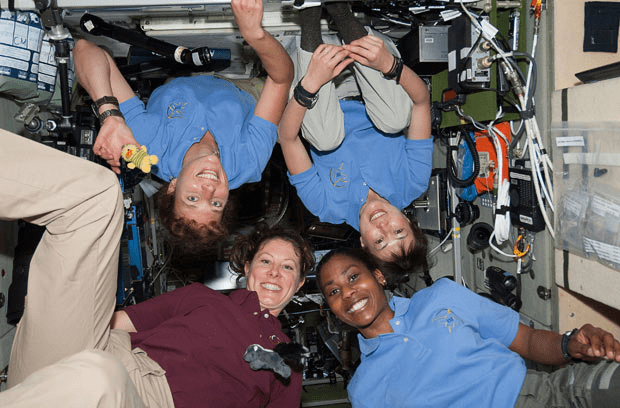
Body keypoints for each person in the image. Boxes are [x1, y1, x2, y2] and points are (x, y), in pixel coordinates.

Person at [0, 127, 314, 407]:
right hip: (88, 356)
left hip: (138, 396)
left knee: (99, 377)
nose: (274, 272)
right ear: (246, 267)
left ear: (300, 282)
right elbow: (113, 323)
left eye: (288, 267)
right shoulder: (200, 298)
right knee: (98, 194)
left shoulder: (289, 360)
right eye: (266, 261)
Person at [73, 0, 294, 252]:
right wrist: (254, 34)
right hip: (240, 85)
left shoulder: (148, 145)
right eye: (216, 204)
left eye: (192, 198)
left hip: (180, 75)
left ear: (173, 186)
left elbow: (84, 49)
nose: (209, 190)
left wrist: (110, 115)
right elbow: (280, 79)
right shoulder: (250, 161)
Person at [315, 247, 620, 408]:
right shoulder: (364, 392)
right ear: (332, 309)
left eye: (353, 277)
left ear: (379, 276)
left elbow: (527, 341)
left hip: (546, 396)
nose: (348, 293)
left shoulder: (440, 297)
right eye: (334, 291)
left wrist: (570, 344)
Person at [277, 2, 433, 265]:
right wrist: (391, 65)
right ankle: (340, 10)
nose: (383, 226)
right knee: (396, 120)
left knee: (326, 139)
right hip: (374, 65)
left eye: (379, 241)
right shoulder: (414, 181)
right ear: (409, 222)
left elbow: (287, 137)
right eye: (398, 231)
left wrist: (311, 83)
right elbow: (421, 101)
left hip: (314, 77)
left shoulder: (326, 207)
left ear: (363, 243)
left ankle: (309, 12)